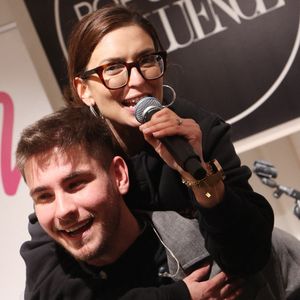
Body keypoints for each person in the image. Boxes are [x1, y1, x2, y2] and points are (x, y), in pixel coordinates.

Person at [21, 3, 275, 298]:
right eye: (113, 68)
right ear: (83, 89)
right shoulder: (74, 151)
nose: (138, 80)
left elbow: (248, 257)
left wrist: (202, 178)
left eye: (147, 60)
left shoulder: (198, 133)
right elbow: (50, 283)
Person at [17, 107, 300, 300]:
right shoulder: (46, 276)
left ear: (119, 175)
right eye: (44, 196)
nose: (63, 209)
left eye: (76, 184)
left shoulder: (222, 248)